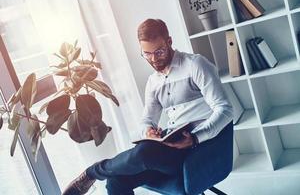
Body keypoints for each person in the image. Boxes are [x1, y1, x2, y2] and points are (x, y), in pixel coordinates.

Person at [62, 19, 233, 195]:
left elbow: (225, 109)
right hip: (170, 154)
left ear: (169, 42)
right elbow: (147, 120)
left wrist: (195, 138)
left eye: (159, 52)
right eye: (147, 54)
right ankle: (98, 173)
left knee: (143, 153)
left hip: (201, 151)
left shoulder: (195, 65)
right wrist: (148, 131)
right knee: (116, 181)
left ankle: (93, 172)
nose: (153, 59)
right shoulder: (153, 82)